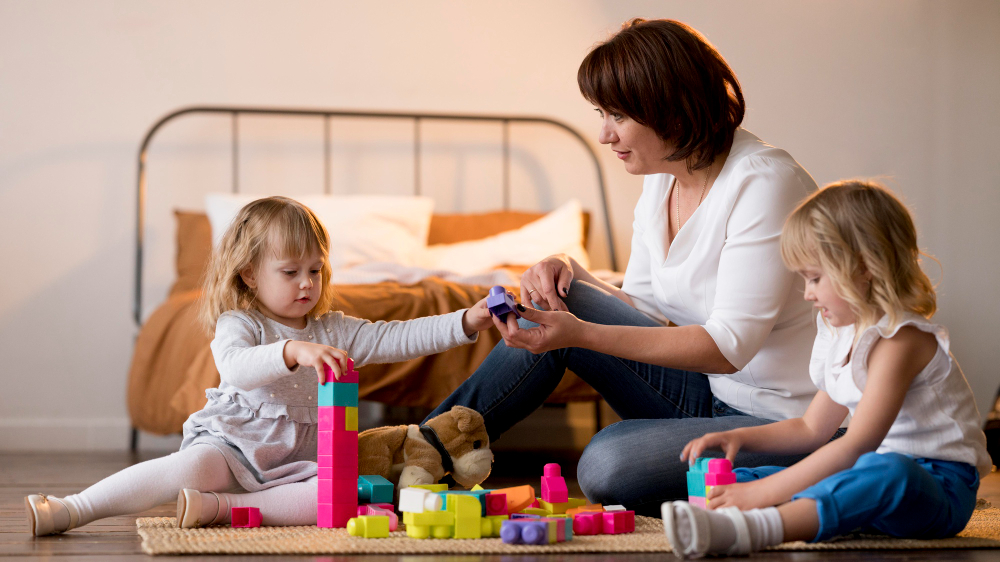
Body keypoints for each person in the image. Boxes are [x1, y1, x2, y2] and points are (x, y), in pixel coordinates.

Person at [426, 18, 824, 514]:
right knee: (553, 296)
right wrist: (571, 269)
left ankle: (806, 471)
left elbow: (727, 349)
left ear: (670, 108)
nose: (603, 134)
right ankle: (421, 454)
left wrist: (580, 334)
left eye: (617, 114)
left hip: (784, 420)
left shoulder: (764, 183)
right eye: (602, 113)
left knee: (606, 464)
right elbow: (648, 309)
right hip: (707, 397)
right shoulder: (663, 178)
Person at [24, 196, 495, 535]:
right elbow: (235, 368)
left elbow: (399, 336)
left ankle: (222, 509)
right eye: (290, 272)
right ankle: (73, 508)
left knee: (335, 497)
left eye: (315, 269)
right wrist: (292, 352)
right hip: (234, 445)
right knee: (189, 469)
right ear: (250, 273)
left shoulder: (335, 328)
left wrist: (467, 320)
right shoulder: (239, 322)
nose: (307, 283)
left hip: (305, 459)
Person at [662, 181, 992, 558]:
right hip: (870, 473)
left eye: (815, 278)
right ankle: (722, 516)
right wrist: (741, 438)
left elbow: (857, 444)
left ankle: (759, 529)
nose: (807, 293)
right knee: (747, 480)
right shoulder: (841, 334)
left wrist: (763, 496)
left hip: (936, 487)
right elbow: (811, 428)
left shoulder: (902, 340)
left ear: (865, 267)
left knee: (887, 474)